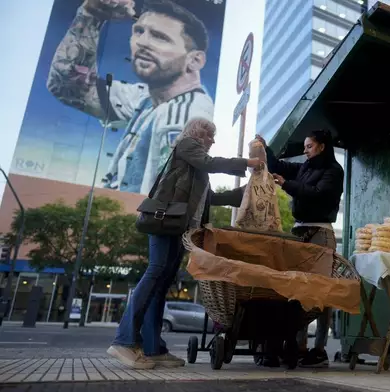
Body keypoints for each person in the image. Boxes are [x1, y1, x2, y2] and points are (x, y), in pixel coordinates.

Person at [108, 118, 261, 369]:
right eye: (210, 135)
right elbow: (210, 163)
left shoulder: (196, 167)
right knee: (155, 272)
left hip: (181, 228)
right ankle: (124, 340)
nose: (212, 140)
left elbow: (210, 198)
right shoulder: (186, 145)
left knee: (162, 283)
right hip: (165, 222)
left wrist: (248, 190)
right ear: (199, 134)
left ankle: (153, 348)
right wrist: (247, 163)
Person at [47, 0, 217, 194]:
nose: (142, 43)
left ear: (195, 60)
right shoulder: (148, 97)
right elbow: (66, 84)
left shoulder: (184, 116)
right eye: (139, 31)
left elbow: (170, 196)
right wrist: (91, 14)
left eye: (159, 37)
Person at [255, 130, 344, 368]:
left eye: (309, 147)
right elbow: (280, 166)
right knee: (296, 290)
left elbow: (318, 194)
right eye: (305, 147)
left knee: (321, 292)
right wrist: (266, 149)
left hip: (320, 234)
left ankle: (319, 348)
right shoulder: (305, 167)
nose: (305, 151)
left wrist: (286, 185)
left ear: (322, 147)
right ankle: (298, 346)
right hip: (299, 232)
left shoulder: (334, 171)